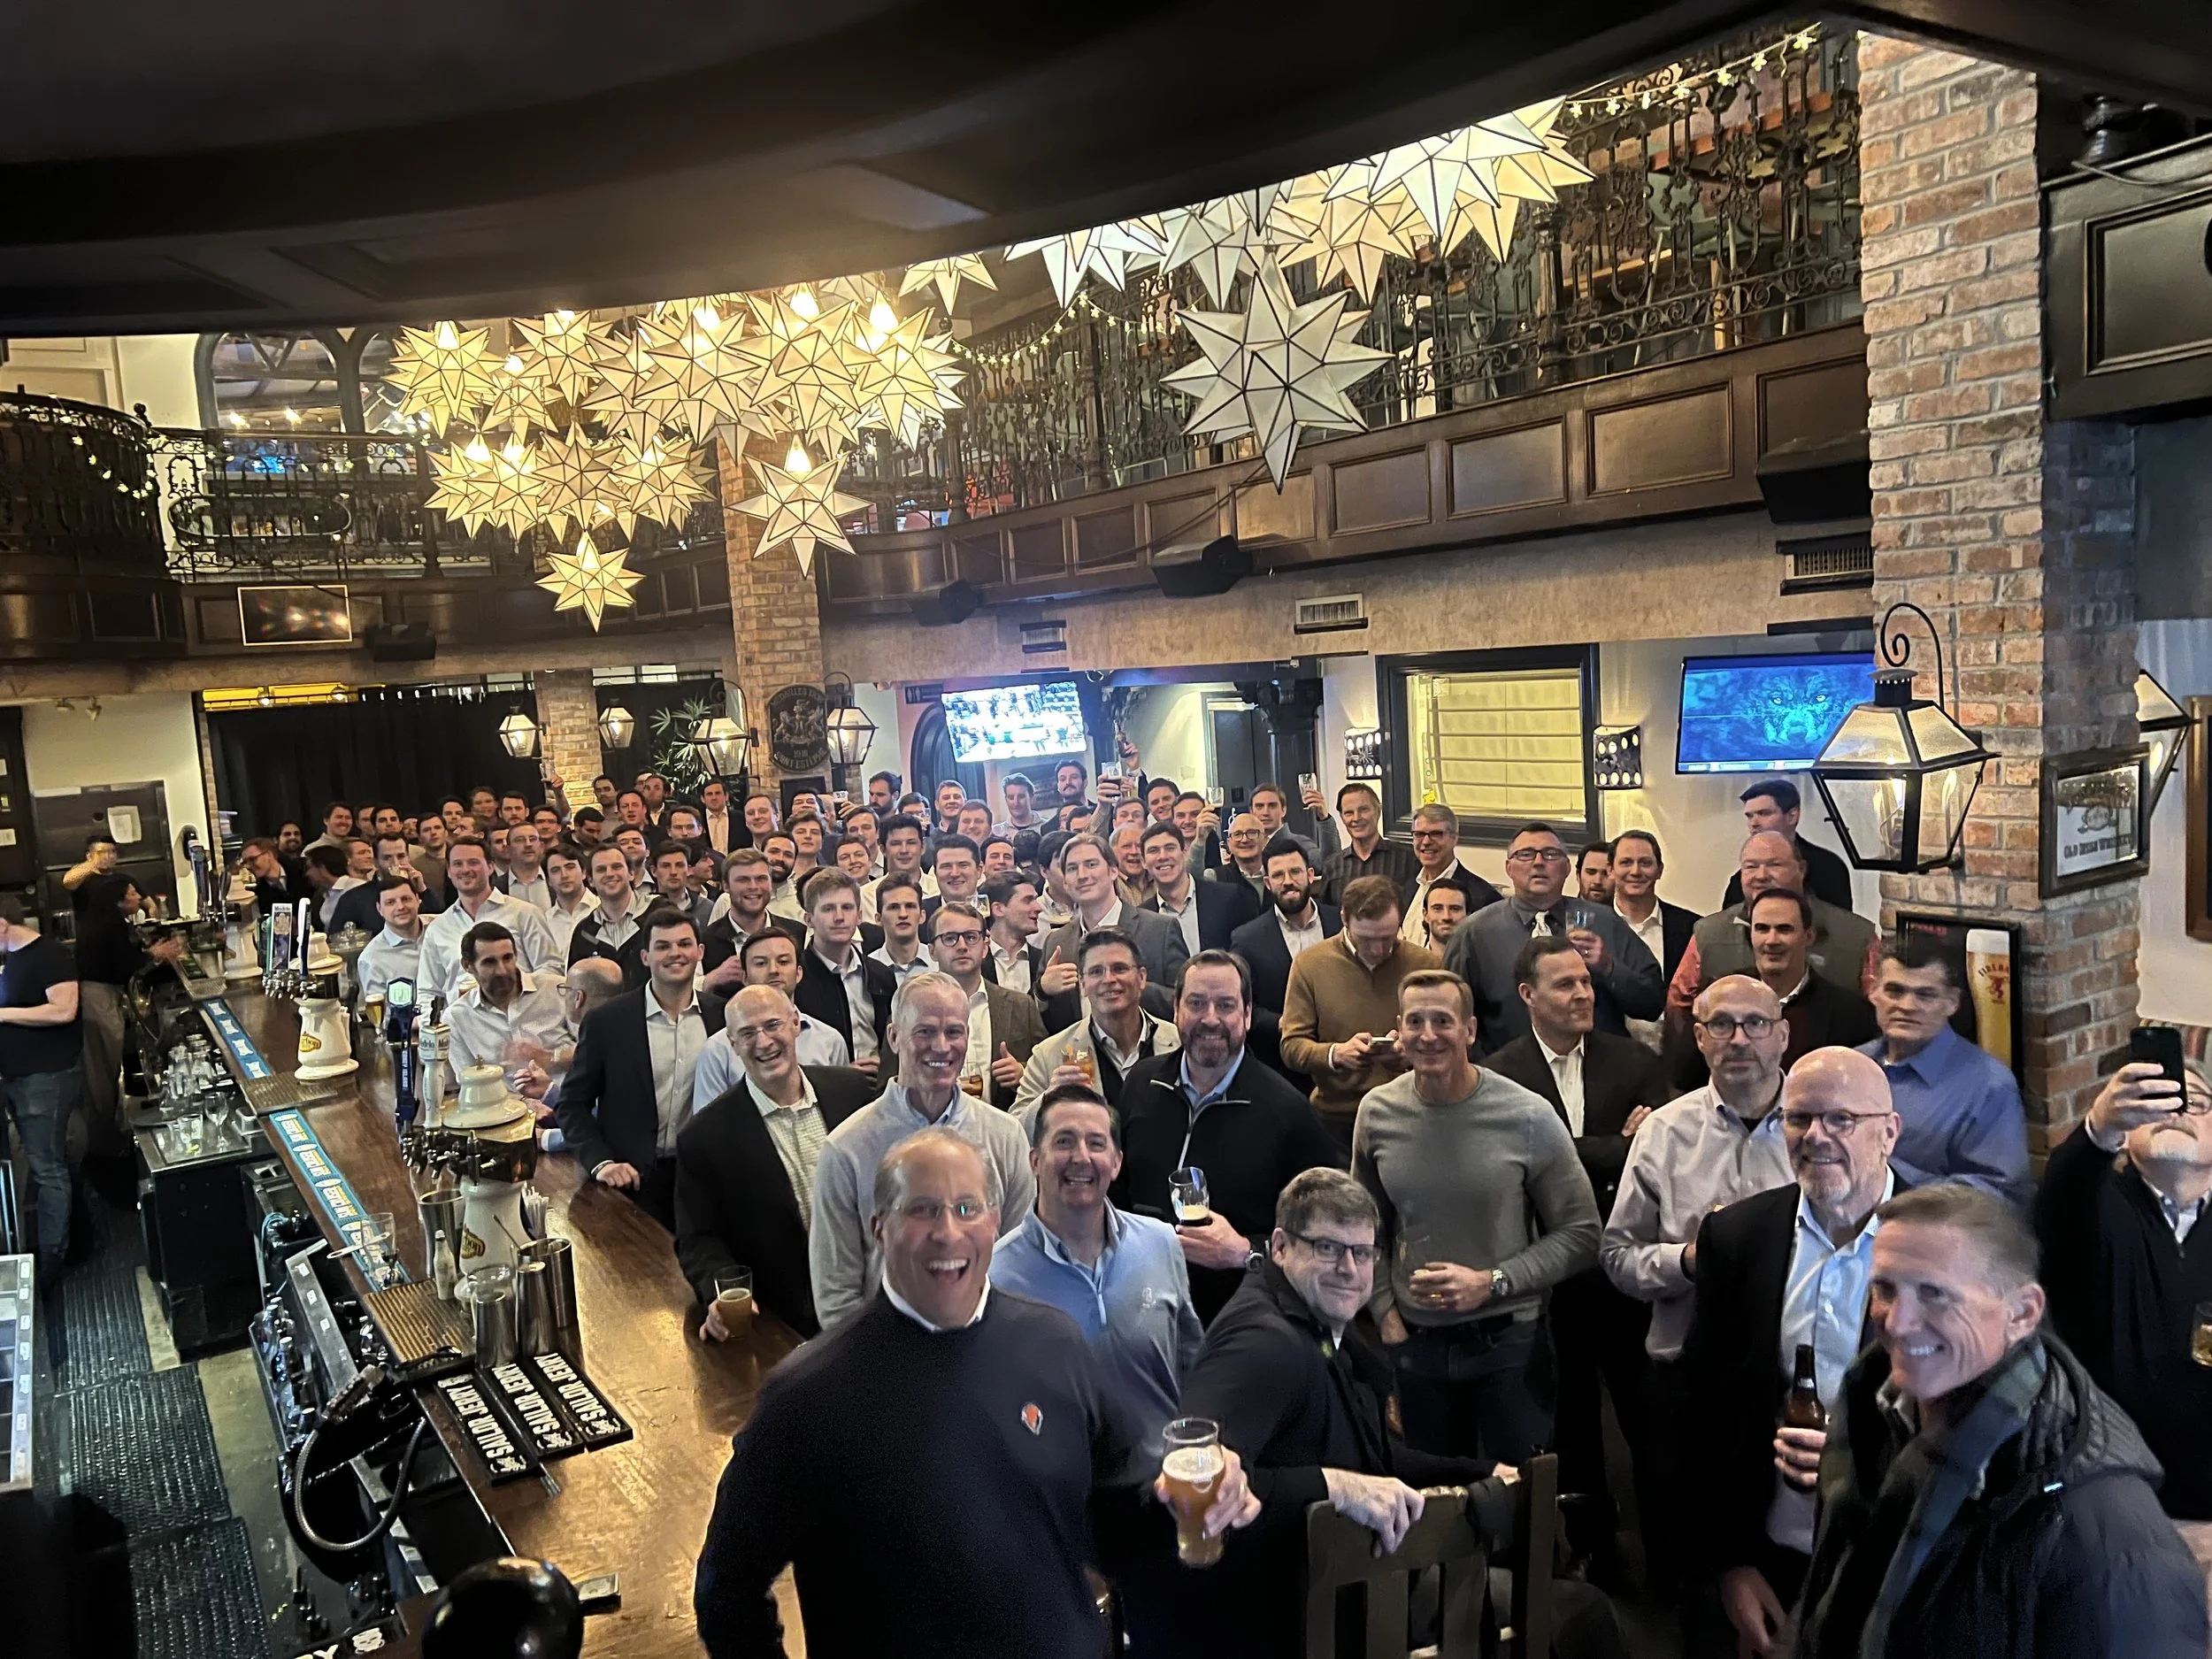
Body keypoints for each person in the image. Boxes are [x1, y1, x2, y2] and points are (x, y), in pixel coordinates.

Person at [697, 1127, 1257, 1659]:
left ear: (995, 1221)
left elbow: (1121, 1508)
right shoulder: (806, 1399)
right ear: (878, 1228)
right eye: (922, 1210)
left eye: (968, 1208)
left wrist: (1201, 1498)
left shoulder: (1054, 1342)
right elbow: (726, 1590)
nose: (948, 1232)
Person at [1792, 1184, 2208, 1658]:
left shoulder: (2108, 1531)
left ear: (2023, 1313)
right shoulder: (1872, 1413)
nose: (1897, 1322)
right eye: (1885, 1289)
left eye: (1935, 1295)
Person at [1176, 1168, 1526, 1659]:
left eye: (1362, 1253)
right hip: (1291, 1623)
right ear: (1279, 1247)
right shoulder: (1264, 1343)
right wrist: (1336, 1487)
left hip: (1343, 1592)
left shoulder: (1314, 1324)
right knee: (1583, 1615)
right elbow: (1199, 1477)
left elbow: (1371, 1457)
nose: (1349, 1268)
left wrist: (1481, 1472)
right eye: (1327, 1248)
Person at [1681, 1048, 1900, 1658]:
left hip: (1894, 1555)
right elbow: (1703, 1407)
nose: (1815, 1137)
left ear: (1890, 1130)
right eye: (1798, 1119)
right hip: (1773, 1550)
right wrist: (1729, 1564)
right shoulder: (1739, 1236)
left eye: (1841, 1120)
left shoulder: (1941, 1241)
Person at [1601, 974, 1793, 1603]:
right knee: (1683, 1550)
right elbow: (1617, 1255)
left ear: (1783, 1035)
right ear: (1700, 1038)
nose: (1740, 1039)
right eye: (1721, 1025)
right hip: (1684, 1370)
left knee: (1778, 1552)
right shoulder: (1665, 1131)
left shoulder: (1817, 1127)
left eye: (1755, 1023)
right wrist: (1687, 1258)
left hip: (1787, 1377)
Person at [1357, 969, 1600, 1463]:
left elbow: (1582, 1234)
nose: (1428, 1035)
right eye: (1415, 1022)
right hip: (1415, 1343)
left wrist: (1492, 1282)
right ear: (1398, 1029)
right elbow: (1365, 1227)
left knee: (1520, 1501)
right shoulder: (1377, 1112)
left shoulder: (1526, 1116)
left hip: (1509, 1343)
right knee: (1433, 1503)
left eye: (1443, 1021)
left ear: (1469, 1031)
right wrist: (1383, 1309)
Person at [1486, 934, 1665, 1567]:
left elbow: (1654, 1154)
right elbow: (1513, 1169)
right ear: (1529, 995)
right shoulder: (1501, 1073)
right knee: (1569, 1418)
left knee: (1645, 1415)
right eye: (1565, 984)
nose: (1584, 992)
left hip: (1624, 1268)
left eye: (1586, 981)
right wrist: (1608, 1147)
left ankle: (1664, 1547)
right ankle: (1590, 1546)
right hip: (1545, 1271)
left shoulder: (1635, 1061)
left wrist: (1565, 1148)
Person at [1113, 952, 1341, 1322]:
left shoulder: (1289, 1112)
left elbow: (1323, 1242)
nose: (1210, 1019)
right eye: (1197, 1003)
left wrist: (1245, 1253)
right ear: (1176, 1010)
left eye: (1226, 1005)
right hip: (1139, 1310)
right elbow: (1116, 1193)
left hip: (1237, 1323)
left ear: (1248, 1015)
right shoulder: (1141, 1084)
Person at [2034, 1053, 2212, 1523]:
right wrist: (2098, 1128)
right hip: (2113, 1497)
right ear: (2127, 1136)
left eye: (2193, 1102)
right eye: (2156, 1101)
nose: (2174, 1112)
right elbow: (2067, 1187)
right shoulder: (2099, 1207)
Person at [807, 973, 1036, 1330]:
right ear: (894, 1037)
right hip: (887, 1358)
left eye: (954, 1032)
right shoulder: (847, 1149)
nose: (942, 1047)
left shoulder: (1006, 1136)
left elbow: (1022, 1264)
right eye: (925, 1031)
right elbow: (836, 1294)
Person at [989, 1084, 1202, 1453]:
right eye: (1064, 1142)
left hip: (1162, 1489)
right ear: (1035, 1160)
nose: (1081, 1157)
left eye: (1096, 1143)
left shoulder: (1161, 1243)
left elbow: (1192, 1367)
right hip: (1059, 1498)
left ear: (1117, 1162)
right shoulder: (997, 1274)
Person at [677, 986, 879, 1340]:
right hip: (783, 1321)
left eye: (773, 1025)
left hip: (872, 1301)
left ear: (795, 1024)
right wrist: (718, 1294)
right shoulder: (704, 1136)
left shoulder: (854, 1093)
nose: (764, 1042)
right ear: (733, 1044)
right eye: (748, 1033)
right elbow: (698, 1238)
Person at [553, 907, 725, 1228]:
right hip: (629, 1183)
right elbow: (572, 1105)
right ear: (645, 956)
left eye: (684, 944)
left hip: (701, 1179)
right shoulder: (607, 1022)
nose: (675, 953)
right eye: (663, 946)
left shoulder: (723, 1017)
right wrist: (601, 1162)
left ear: (700, 952)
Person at [1444, 821, 1663, 1052]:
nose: (1539, 863)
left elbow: (1652, 1003)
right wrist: (1486, 1072)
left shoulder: (1603, 922)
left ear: (1567, 868)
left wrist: (1609, 967)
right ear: (1508, 868)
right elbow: (1451, 1015)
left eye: (1550, 854)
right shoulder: (1475, 933)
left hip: (1599, 1075)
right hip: (1510, 1076)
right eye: (1526, 854)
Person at [1859, 933, 2031, 1203]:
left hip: (1930, 1235)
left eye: (1925, 995)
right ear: (1873, 991)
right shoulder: (1853, 1067)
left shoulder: (1989, 1086)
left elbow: (1997, 1195)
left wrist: (1887, 1180)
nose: (1907, 1006)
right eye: (1895, 991)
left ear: (1952, 1002)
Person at [1279, 873, 1440, 1151]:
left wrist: (1409, 1053)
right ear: (1344, 920)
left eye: (1388, 938)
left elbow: (1454, 1041)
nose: (1378, 950)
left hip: (1411, 1112)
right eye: (1366, 939)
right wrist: (1334, 1054)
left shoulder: (1426, 965)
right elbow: (1291, 1046)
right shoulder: (1310, 965)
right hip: (1336, 1116)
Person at [1673, 888, 1878, 1089]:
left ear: (1809, 937)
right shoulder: (1720, 997)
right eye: (1762, 929)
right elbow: (1685, 1079)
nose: (1771, 941)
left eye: (1784, 929)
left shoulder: (1851, 1013)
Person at [1668, 832, 1878, 1025]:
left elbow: (1880, 1006)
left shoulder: (1857, 936)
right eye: (1750, 867)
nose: (1761, 875)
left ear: (1801, 870)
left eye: (1774, 865)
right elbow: (1679, 1006)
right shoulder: (1708, 934)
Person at [1014, 928, 1180, 1118]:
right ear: (1082, 984)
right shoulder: (1047, 1055)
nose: (1108, 979)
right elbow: (1016, 1130)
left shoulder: (1180, 1043)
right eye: (1096, 972)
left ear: (1142, 978)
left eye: (1119, 968)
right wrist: (1048, 1100)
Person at [0, 896, 81, 1276]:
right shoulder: (12, 959)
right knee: (50, 1157)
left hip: (45, 1077)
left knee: (47, 1167)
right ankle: (79, 1236)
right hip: (22, 1075)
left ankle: (51, 1258)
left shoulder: (48, 955)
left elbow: (64, 1009)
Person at [73, 872, 183, 1155]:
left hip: (102, 994)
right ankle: (103, 1145)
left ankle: (108, 1135)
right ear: (119, 900)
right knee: (101, 1071)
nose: (138, 896)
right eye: (133, 893)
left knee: (106, 1068)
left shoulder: (108, 920)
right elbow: (126, 965)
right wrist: (155, 954)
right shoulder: (109, 924)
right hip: (98, 997)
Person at [1035, 834, 1187, 1024]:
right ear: (1065, 882)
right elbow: (1038, 1022)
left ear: (1113, 871)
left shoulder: (1160, 930)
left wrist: (1132, 985)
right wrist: (1042, 991)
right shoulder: (1057, 942)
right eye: (1072, 868)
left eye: (1091, 864)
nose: (1082, 875)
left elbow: (1186, 1001)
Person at [690, 932, 852, 1100]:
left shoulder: (831, 1041)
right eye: (761, 963)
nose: (774, 970)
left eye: (783, 962)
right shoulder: (718, 1050)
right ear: (744, 977)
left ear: (798, 973)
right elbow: (709, 1122)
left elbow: (842, 1111)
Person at [443, 924, 572, 1123]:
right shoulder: (457, 1018)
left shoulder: (557, 989)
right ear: (468, 966)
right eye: (489, 963)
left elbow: (597, 1051)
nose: (502, 970)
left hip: (576, 1103)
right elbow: (471, 1088)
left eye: (507, 958)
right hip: (510, 1118)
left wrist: (549, 1057)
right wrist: (524, 1102)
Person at [924, 905, 1042, 1110]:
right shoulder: (912, 1009)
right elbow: (890, 1084)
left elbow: (1046, 1072)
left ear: (985, 947)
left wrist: (1023, 1073)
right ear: (932, 951)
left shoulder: (1021, 1006)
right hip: (931, 1131)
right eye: (950, 938)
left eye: (971, 937)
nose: (962, 946)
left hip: (1003, 1129)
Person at [417, 838, 558, 1002]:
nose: (465, 870)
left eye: (473, 862)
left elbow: (551, 969)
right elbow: (428, 992)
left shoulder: (524, 913)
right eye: (458, 864)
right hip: (461, 1022)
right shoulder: (438, 928)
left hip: (520, 1015)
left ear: (490, 867)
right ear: (449, 871)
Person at [1606, 828, 1698, 1053]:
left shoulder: (1692, 928)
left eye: (1645, 863)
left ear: (1660, 870)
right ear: (1610, 870)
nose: (1635, 871)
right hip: (1608, 1060)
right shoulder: (1595, 926)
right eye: (1626, 862)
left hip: (1675, 1061)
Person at [794, 870, 894, 1077]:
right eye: (828, 909)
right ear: (809, 919)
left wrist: (886, 1067)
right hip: (824, 1089)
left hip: (878, 1086)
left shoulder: (880, 974)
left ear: (859, 916)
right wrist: (840, 1074)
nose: (839, 917)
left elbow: (892, 1039)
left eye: (847, 908)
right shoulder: (796, 978)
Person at [1228, 837, 1340, 1016]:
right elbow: (1244, 1006)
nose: (1288, 881)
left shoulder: (1341, 923)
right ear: (1268, 883)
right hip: (1278, 1040)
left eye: (1295, 871)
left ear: (1310, 875)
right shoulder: (1247, 940)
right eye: (1278, 875)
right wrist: (1286, 1025)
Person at [1718, 780, 1855, 911]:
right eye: (1749, 816)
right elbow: (1730, 927)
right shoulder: (1741, 879)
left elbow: (1840, 926)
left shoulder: (1829, 867)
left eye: (1764, 813)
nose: (1754, 823)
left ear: (1792, 816)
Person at [1141, 820, 1258, 954]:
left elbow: (1250, 954)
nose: (1163, 856)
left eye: (1170, 848)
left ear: (1185, 852)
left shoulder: (1229, 898)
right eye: (1153, 850)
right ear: (1144, 861)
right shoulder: (1142, 918)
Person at [1399, 802, 1502, 945]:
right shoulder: (1406, 887)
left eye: (1436, 834)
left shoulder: (1483, 897)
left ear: (1454, 838)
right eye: (1419, 834)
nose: (1426, 841)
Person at [564, 843, 658, 987]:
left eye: (616, 867)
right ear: (590, 880)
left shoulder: (660, 911)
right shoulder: (584, 932)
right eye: (601, 869)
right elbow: (576, 988)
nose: (609, 874)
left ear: (631, 874)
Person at [1317, 780, 1418, 906]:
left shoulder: (1407, 859)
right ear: (1342, 817)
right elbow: (1328, 914)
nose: (1356, 818)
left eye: (1364, 810)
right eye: (1349, 813)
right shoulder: (1333, 865)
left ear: (1378, 811)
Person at [357, 877, 428, 1004]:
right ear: (379, 909)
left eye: (406, 899)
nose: (400, 907)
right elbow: (384, 1018)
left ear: (418, 900)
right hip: (414, 1023)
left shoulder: (441, 929)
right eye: (390, 902)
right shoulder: (371, 959)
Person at [1248, 780, 1338, 871]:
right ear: (1251, 812)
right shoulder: (1245, 845)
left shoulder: (1299, 843)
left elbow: (1329, 865)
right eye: (1259, 806)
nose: (1265, 812)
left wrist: (1324, 818)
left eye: (1272, 806)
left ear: (1283, 810)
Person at [979, 872, 1043, 995]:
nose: (1038, 908)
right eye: (1028, 900)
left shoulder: (1045, 961)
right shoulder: (975, 961)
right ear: (998, 909)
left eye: (1036, 899)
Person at [864, 871, 930, 985]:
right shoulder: (866, 970)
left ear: (922, 915)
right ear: (878, 919)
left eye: (910, 906)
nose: (903, 914)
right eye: (894, 907)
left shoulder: (940, 962)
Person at [541, 841, 596, 956]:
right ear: (549, 881)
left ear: (584, 873)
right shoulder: (544, 922)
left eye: (570, 867)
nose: (564, 875)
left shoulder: (603, 910)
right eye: (555, 870)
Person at [502, 824, 550, 910]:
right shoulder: (496, 888)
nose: (528, 844)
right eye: (520, 840)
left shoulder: (555, 880)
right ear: (508, 850)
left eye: (533, 839)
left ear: (542, 847)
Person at [700, 779, 737, 856]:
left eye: (718, 793)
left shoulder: (740, 818)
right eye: (709, 794)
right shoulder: (697, 821)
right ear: (703, 799)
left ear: (726, 796)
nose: (714, 798)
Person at [1575, 841, 1614, 905]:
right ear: (1578, 875)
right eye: (1591, 872)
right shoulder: (1561, 914)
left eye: (1606, 874)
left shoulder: (1629, 914)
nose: (1598, 881)